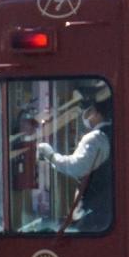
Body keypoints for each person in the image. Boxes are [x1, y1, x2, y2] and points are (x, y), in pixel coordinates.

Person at [38, 89, 112, 229]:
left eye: (90, 112)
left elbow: (76, 167)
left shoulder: (96, 138)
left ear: (97, 113)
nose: (87, 117)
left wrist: (51, 156)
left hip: (93, 209)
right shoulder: (114, 133)